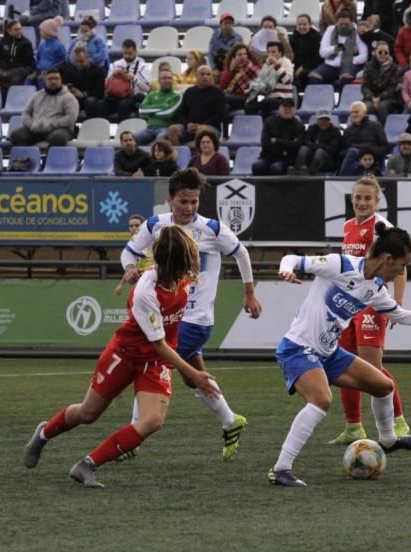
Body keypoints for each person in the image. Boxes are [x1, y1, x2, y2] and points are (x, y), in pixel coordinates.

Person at [268, 223, 411, 487]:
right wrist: (286, 270)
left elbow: (400, 315)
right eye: (402, 266)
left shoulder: (376, 289)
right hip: (298, 348)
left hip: (329, 352)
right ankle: (281, 468)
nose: (402, 272)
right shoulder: (341, 265)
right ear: (388, 259)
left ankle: (388, 440)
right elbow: (292, 259)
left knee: (383, 386)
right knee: (322, 399)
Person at [23, 225, 219, 488]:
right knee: (88, 413)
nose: (189, 270)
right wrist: (193, 373)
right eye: (184, 264)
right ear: (170, 263)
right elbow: (159, 343)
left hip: (155, 362)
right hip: (125, 354)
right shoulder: (145, 293)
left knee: (152, 420)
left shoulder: (183, 272)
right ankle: (44, 433)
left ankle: (87, 465)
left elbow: (190, 257)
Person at [118, 168, 263, 461]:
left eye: (194, 202)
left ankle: (132, 438)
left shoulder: (212, 228)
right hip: (171, 316)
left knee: (150, 363)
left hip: (195, 319)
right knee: (192, 376)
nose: (189, 208)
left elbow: (241, 253)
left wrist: (249, 292)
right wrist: (129, 268)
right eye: (184, 202)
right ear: (171, 199)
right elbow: (129, 251)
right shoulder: (155, 224)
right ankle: (230, 420)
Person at [329, 177, 411, 444]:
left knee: (373, 368)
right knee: (343, 366)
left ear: (377, 201)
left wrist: (396, 304)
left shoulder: (382, 228)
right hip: (348, 306)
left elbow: (400, 266)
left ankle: (399, 422)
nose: (361, 202)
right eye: (358, 197)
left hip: (372, 305)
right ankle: (353, 427)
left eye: (368, 198)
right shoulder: (348, 226)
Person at [9, 69, 79, 147]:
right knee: (16, 135)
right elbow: (26, 113)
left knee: (57, 138)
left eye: (56, 78)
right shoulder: (37, 95)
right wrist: (31, 124)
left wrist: (51, 125)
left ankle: (50, 159)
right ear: (45, 81)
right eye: (50, 79)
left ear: (61, 80)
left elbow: (71, 118)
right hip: (36, 128)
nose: (53, 82)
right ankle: (27, 158)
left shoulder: (69, 97)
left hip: (60, 129)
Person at [166, 65, 225, 146]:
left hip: (211, 127)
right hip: (190, 127)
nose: (205, 77)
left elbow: (220, 115)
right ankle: (179, 156)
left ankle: (198, 157)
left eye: (208, 74)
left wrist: (200, 125)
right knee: (172, 129)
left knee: (201, 129)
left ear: (212, 76)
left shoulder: (218, 92)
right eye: (202, 74)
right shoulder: (189, 92)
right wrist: (187, 124)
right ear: (196, 76)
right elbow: (181, 113)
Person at [308, 10, 368, 89]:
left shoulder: (356, 32)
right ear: (336, 22)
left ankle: (342, 100)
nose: (343, 26)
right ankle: (323, 99)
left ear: (351, 22)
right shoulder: (330, 30)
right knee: (313, 76)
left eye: (346, 24)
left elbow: (364, 55)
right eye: (341, 24)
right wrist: (334, 49)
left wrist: (349, 59)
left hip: (348, 65)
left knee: (346, 77)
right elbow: (322, 52)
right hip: (330, 65)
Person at [252, 98, 306, 175]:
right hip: (267, 157)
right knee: (257, 166)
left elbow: (296, 146)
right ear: (279, 109)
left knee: (276, 168)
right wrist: (285, 147)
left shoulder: (299, 126)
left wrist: (277, 141)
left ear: (295, 110)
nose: (287, 109)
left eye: (290, 107)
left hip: (286, 159)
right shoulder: (269, 122)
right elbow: (265, 143)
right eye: (285, 107)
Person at [244, 41, 295, 119]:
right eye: (269, 52)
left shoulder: (286, 62)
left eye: (274, 52)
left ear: (280, 53)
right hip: (266, 96)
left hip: (282, 99)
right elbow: (261, 80)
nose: (271, 55)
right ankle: (258, 125)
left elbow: (287, 80)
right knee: (249, 105)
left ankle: (267, 126)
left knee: (266, 102)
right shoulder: (266, 65)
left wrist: (276, 64)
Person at [104, 39, 151, 122]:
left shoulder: (143, 67)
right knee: (100, 104)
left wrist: (134, 79)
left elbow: (147, 89)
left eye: (130, 53)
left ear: (136, 52)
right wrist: (113, 76)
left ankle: (123, 132)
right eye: (125, 53)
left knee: (123, 104)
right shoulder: (115, 64)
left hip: (134, 97)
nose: (127, 56)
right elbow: (107, 83)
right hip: (116, 96)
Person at [337, 101, 389, 175]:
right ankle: (341, 180)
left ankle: (340, 179)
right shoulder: (348, 130)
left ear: (364, 113)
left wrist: (370, 151)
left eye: (356, 112)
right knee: (352, 152)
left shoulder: (376, 126)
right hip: (354, 162)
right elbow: (341, 151)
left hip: (372, 161)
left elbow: (385, 147)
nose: (354, 115)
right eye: (352, 112)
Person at [0, 20, 35, 99]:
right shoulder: (1, 43)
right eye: (16, 30)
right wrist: (5, 65)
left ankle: (12, 98)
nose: (19, 31)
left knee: (13, 77)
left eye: (20, 29)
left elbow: (27, 61)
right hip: (5, 68)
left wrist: (12, 65)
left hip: (22, 67)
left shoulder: (26, 43)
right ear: (9, 31)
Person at [290, 108, 343, 175]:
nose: (324, 122)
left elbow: (332, 150)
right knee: (304, 149)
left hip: (328, 161)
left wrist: (315, 146)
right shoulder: (312, 128)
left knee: (320, 152)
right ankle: (297, 170)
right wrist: (320, 146)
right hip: (312, 156)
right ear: (317, 120)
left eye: (326, 119)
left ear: (329, 120)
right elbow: (305, 141)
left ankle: (310, 173)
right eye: (321, 119)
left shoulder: (335, 131)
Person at [360, 42, 402, 125]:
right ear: (375, 52)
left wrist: (379, 98)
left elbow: (392, 88)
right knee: (368, 107)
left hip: (389, 98)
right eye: (380, 52)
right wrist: (372, 98)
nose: (383, 54)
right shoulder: (368, 66)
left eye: (386, 52)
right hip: (370, 97)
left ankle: (384, 131)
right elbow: (365, 86)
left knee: (382, 107)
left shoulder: (394, 68)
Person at [135, 70, 181, 144]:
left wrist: (151, 112)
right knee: (131, 139)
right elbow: (141, 110)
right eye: (164, 78)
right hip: (149, 129)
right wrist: (163, 106)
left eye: (169, 78)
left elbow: (169, 113)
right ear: (159, 81)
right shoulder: (152, 94)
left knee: (159, 141)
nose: (167, 80)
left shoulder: (177, 96)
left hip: (165, 128)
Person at [113, 214, 154, 296]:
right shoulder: (130, 249)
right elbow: (130, 269)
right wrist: (121, 285)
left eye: (137, 225)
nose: (134, 228)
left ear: (143, 226)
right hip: (144, 285)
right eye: (131, 226)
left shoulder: (153, 240)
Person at [62, 47, 106, 118]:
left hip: (91, 97)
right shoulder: (70, 71)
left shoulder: (97, 71)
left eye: (81, 61)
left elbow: (100, 91)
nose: (79, 64)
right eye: (76, 61)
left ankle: (90, 126)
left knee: (89, 101)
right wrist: (70, 90)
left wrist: (84, 94)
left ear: (87, 58)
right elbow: (64, 85)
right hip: (75, 97)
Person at [220, 43, 260, 113]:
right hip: (236, 96)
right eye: (240, 55)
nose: (243, 57)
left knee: (222, 98)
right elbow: (223, 86)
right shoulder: (231, 68)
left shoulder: (252, 67)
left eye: (245, 54)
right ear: (234, 57)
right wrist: (231, 70)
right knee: (224, 106)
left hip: (249, 98)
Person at [28, 17, 67, 85]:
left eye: (42, 31)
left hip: (51, 72)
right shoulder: (42, 45)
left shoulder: (59, 45)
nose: (40, 33)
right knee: (29, 79)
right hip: (40, 71)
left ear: (48, 32)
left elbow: (63, 60)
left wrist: (53, 68)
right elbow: (38, 58)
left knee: (41, 79)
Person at [290, 13, 323, 90]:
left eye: (304, 24)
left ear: (310, 25)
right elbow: (291, 55)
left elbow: (317, 57)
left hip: (313, 65)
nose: (302, 27)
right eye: (299, 24)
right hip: (297, 66)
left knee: (304, 74)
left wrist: (303, 67)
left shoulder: (316, 37)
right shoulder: (294, 37)